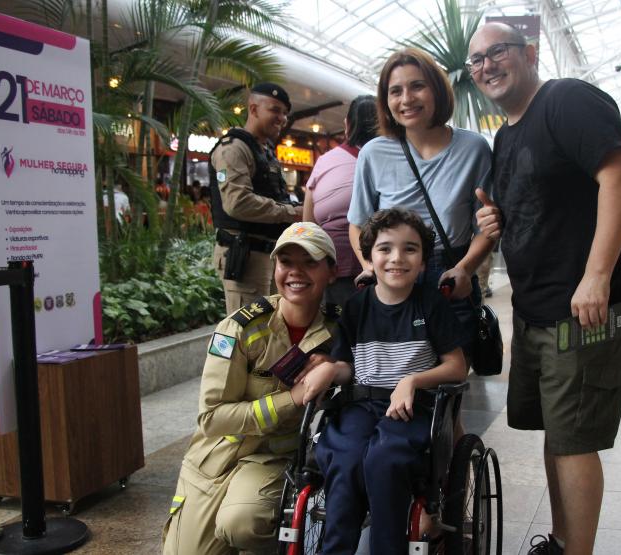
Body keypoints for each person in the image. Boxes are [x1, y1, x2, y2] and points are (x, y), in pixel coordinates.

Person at [469, 22, 621, 555]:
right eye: (475, 61)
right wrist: (496, 217)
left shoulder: (567, 99)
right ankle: (562, 540)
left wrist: (597, 276)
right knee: (556, 432)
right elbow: (536, 201)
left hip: (584, 308)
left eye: (496, 52)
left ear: (528, 52)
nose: (485, 66)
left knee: (574, 441)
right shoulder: (507, 133)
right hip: (536, 308)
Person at [162, 222, 340, 555]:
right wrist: (293, 398)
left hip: (270, 458)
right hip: (214, 459)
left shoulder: (340, 328)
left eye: (310, 262)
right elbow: (212, 417)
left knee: (242, 523)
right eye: (286, 262)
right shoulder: (237, 328)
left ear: (332, 271)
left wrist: (338, 367)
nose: (295, 272)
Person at [299, 208, 467, 553]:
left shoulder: (430, 305)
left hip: (413, 408)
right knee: (344, 457)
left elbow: (456, 367)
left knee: (385, 457)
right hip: (362, 403)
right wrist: (331, 369)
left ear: (422, 262)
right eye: (385, 249)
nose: (396, 258)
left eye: (410, 249)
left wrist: (413, 380)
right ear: (370, 258)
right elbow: (347, 365)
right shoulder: (357, 306)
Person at [347, 47, 493, 361]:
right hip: (392, 276)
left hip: (448, 276)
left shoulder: (474, 149)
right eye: (395, 91)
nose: (406, 99)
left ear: (437, 90)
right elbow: (357, 224)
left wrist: (465, 268)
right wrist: (371, 266)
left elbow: (486, 228)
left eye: (417, 86)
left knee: (450, 384)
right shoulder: (373, 153)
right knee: (395, 379)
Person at [209, 83, 302, 313]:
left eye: (284, 113)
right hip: (246, 258)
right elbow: (237, 203)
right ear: (253, 109)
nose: (282, 118)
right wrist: (292, 212)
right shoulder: (233, 149)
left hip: (268, 255)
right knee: (247, 334)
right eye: (275, 110)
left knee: (270, 331)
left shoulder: (264, 151)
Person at [303, 95, 378, 307]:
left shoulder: (324, 162)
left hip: (334, 267)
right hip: (384, 267)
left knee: (337, 333)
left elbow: (308, 223)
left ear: (347, 124)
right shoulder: (392, 158)